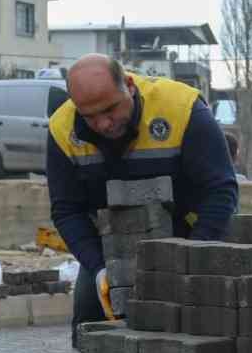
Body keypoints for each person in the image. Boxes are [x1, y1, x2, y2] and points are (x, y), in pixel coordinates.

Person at [46, 54, 238, 335]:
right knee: (90, 319)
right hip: (109, 248)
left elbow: (220, 191)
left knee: (205, 326)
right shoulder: (62, 129)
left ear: (129, 86)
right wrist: (99, 267)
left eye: (110, 109)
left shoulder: (181, 109)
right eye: (90, 116)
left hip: (191, 236)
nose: (103, 124)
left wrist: (194, 260)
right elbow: (67, 210)